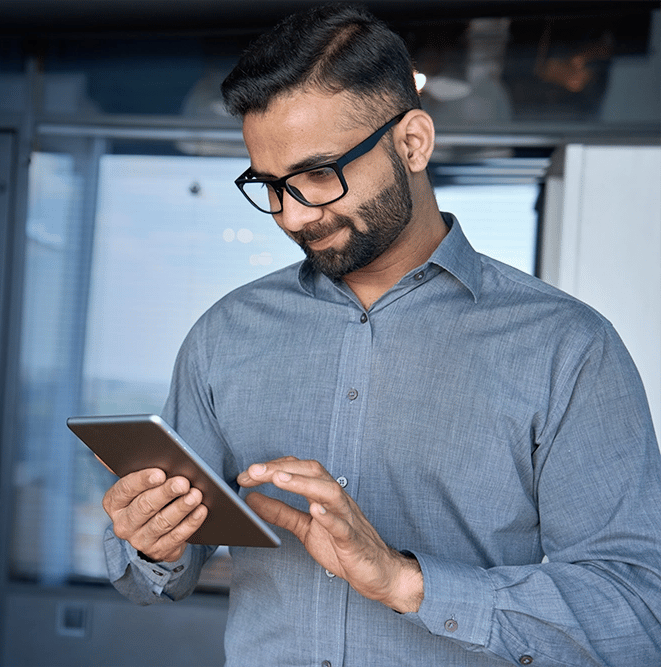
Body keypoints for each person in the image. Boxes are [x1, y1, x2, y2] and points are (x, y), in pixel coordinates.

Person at [100, 4, 661, 665]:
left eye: (317, 175)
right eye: (270, 185)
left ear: (413, 142)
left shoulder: (568, 347)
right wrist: (148, 541)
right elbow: (159, 575)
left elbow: (637, 612)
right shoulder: (224, 334)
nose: (293, 215)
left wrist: (406, 580)